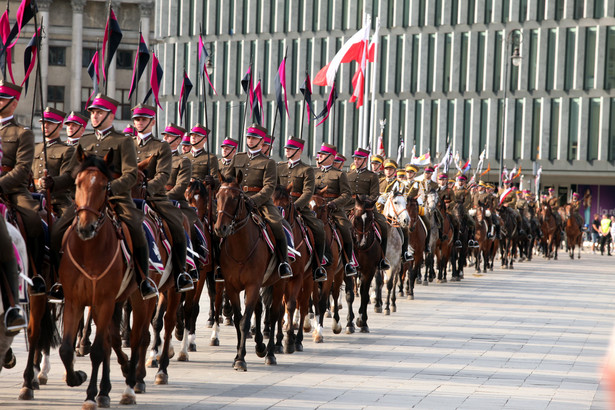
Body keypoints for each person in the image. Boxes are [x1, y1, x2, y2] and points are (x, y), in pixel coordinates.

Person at [46, 94, 157, 300]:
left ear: (111, 115)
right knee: (57, 231)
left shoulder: (123, 141)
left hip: (117, 199)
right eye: (93, 113)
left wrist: (110, 188)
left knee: (136, 229)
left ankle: (143, 280)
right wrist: (54, 183)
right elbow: (72, 174)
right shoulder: (85, 140)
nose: (94, 117)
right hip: (87, 202)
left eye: (99, 113)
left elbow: (131, 174)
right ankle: (59, 280)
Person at [132, 105, 193, 292]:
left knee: (177, 222)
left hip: (154, 197)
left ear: (152, 122)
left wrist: (146, 189)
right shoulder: (125, 144)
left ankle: (181, 272)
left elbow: (163, 175)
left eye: (143, 119)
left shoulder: (161, 146)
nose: (139, 122)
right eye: (137, 119)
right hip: (126, 196)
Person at [222, 124, 293, 279]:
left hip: (260, 202)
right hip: (236, 199)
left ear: (261, 142)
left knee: (277, 224)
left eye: (254, 138)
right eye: (249, 137)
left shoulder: (269, 162)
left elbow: (269, 187)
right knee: (219, 222)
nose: (250, 140)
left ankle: (283, 263)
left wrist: (253, 200)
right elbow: (228, 179)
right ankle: (219, 264)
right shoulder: (237, 157)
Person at [0, 81, 45, 296]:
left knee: (34, 220)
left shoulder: (22, 133)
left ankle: (37, 273)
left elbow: (22, 168)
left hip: (13, 190)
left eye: (1, 99)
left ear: (13, 104)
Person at [276, 136, 327, 282]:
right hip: (279, 205)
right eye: (286, 149)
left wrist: (296, 205)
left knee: (319, 229)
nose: (287, 151)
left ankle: (318, 267)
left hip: (299, 206)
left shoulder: (307, 169)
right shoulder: (280, 167)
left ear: (299, 151)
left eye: (290, 149)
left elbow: (308, 192)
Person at [314, 143, 357, 276]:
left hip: (333, 209)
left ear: (331, 158)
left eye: (323, 154)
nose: (319, 156)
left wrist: (334, 203)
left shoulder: (339, 174)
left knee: (346, 229)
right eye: (319, 154)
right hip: (315, 208)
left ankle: (348, 262)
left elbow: (346, 194)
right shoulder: (313, 172)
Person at [347, 149, 390, 269]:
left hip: (367, 208)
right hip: (349, 207)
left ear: (365, 160)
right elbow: (345, 193)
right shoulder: (348, 175)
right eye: (355, 158)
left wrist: (364, 204)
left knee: (383, 225)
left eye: (359, 159)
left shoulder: (372, 176)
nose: (356, 161)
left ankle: (382, 258)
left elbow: (374, 194)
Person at [31, 107, 75, 217]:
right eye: (43, 123)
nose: (45, 126)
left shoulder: (67, 150)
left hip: (57, 202)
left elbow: (68, 177)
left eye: (50, 123)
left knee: (62, 230)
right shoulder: (35, 147)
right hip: (33, 197)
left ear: (60, 126)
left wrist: (52, 182)